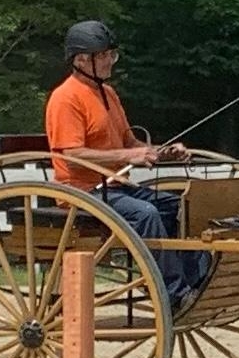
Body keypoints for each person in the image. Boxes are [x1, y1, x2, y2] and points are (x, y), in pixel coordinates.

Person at [44, 20, 209, 312]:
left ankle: (196, 282)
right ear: (82, 59)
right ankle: (171, 294)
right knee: (146, 214)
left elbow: (128, 141)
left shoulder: (108, 94)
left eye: (111, 55)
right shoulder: (65, 98)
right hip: (83, 193)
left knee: (181, 205)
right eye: (104, 55)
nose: (110, 61)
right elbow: (72, 153)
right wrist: (128, 157)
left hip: (116, 186)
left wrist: (161, 152)